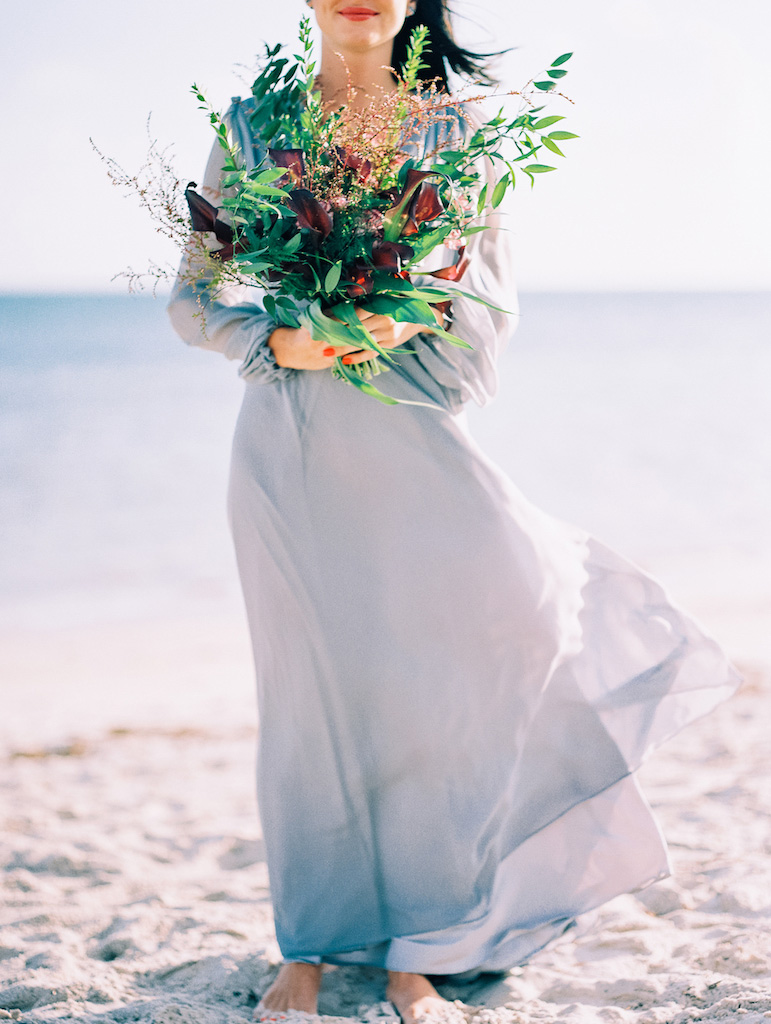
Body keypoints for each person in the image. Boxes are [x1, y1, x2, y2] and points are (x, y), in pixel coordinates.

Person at [166, 1, 741, 1021]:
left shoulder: (459, 132)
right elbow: (191, 296)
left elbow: (483, 332)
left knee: (453, 689)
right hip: (286, 454)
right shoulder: (254, 127)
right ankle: (304, 948)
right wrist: (280, 344)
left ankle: (419, 954)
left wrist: (377, 322)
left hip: (416, 444)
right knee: (308, 710)